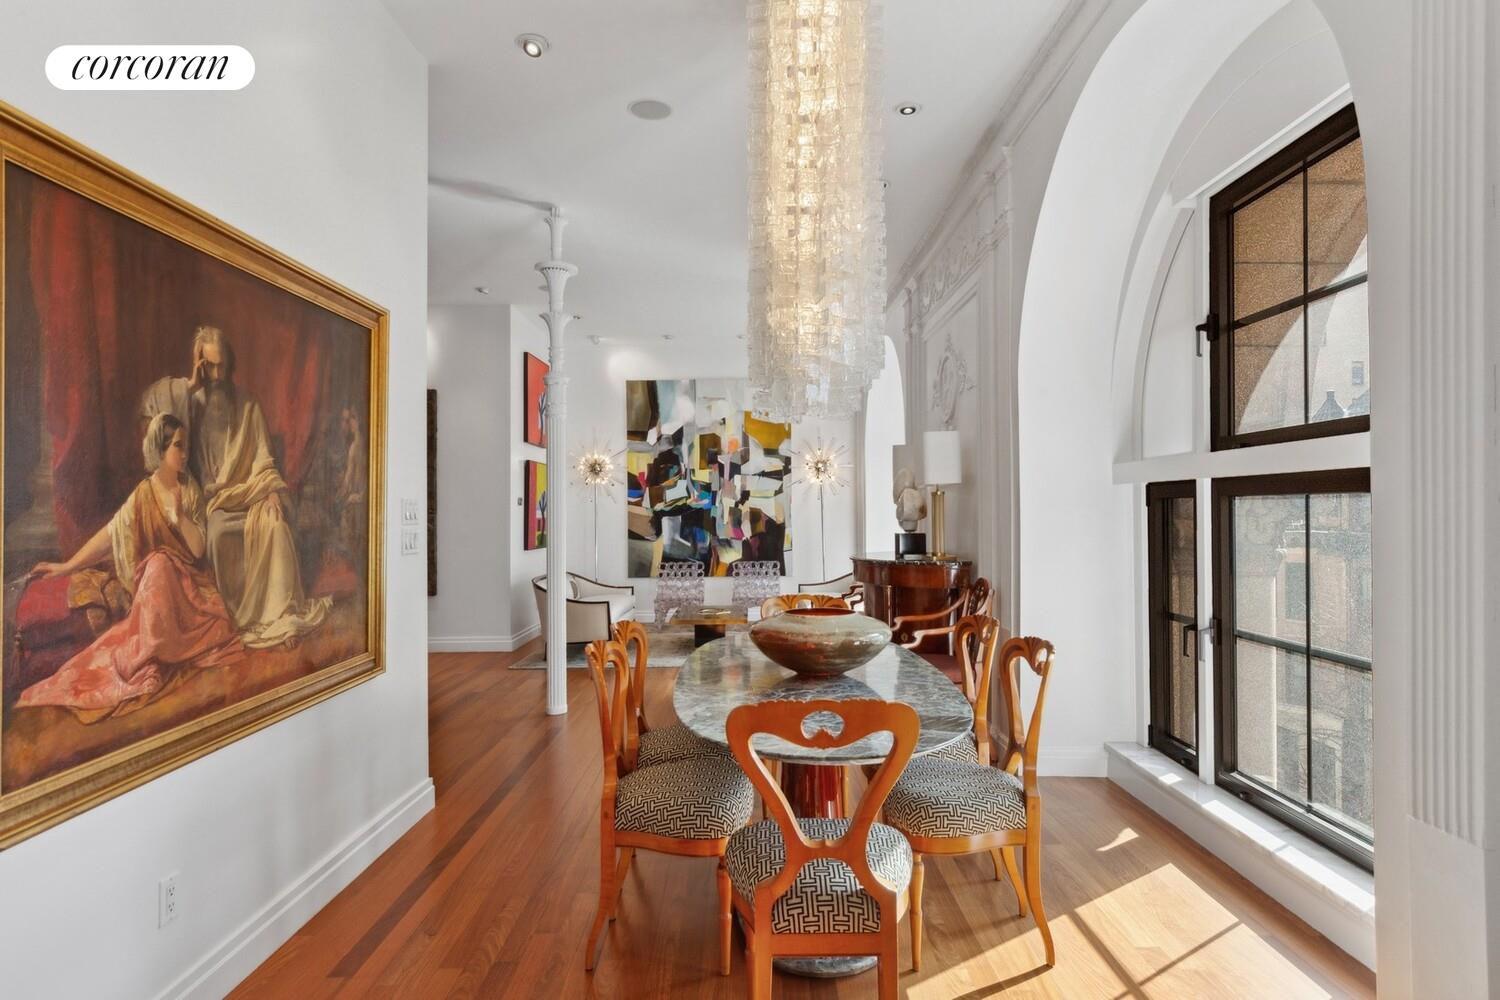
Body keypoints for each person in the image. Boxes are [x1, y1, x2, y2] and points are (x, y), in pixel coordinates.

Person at [18, 414, 245, 721]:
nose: (184, 453)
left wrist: (180, 517)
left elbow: (198, 549)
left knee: (164, 568)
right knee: (157, 564)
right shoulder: (143, 494)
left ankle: (158, 651)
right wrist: (66, 566)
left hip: (191, 595)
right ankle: (150, 656)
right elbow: (110, 535)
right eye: (177, 446)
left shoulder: (189, 491)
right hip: (157, 593)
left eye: (184, 445)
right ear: (160, 449)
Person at [139, 326, 329, 648]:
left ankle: (281, 616)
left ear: (230, 364)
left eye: (221, 366)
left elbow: (264, 459)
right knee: (217, 533)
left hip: (251, 493)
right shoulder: (190, 404)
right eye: (209, 366)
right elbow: (153, 407)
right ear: (199, 364)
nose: (216, 375)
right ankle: (235, 620)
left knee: (276, 524)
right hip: (215, 503)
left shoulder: (249, 405)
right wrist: (191, 383)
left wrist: (270, 489)